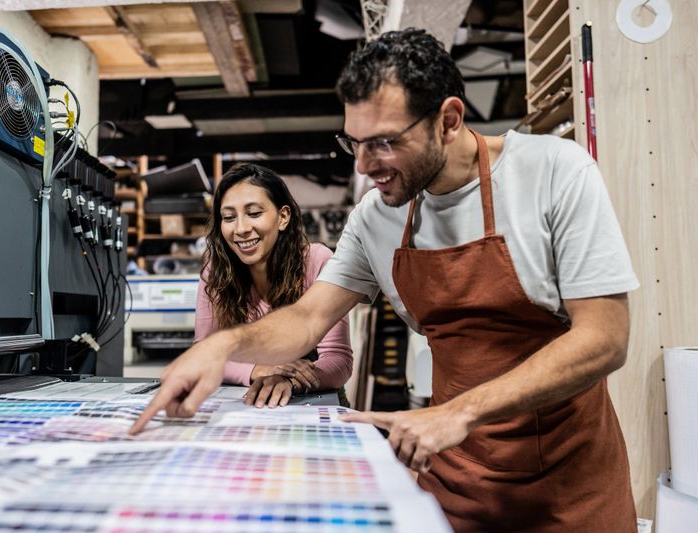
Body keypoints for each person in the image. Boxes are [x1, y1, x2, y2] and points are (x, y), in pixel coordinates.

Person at [131, 28, 638, 532]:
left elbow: (604, 339)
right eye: (353, 142)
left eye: (383, 143)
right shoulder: (377, 216)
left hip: (569, 489)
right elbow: (309, 318)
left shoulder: (554, 173)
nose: (364, 165)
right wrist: (222, 348)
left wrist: (459, 412)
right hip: (452, 478)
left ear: (449, 121)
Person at [195, 162, 352, 407]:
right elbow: (204, 353)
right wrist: (259, 370)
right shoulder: (216, 269)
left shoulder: (317, 261)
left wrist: (290, 381)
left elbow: (338, 359)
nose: (241, 229)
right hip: (243, 399)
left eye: (254, 213)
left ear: (283, 217)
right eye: (228, 217)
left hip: (312, 398)